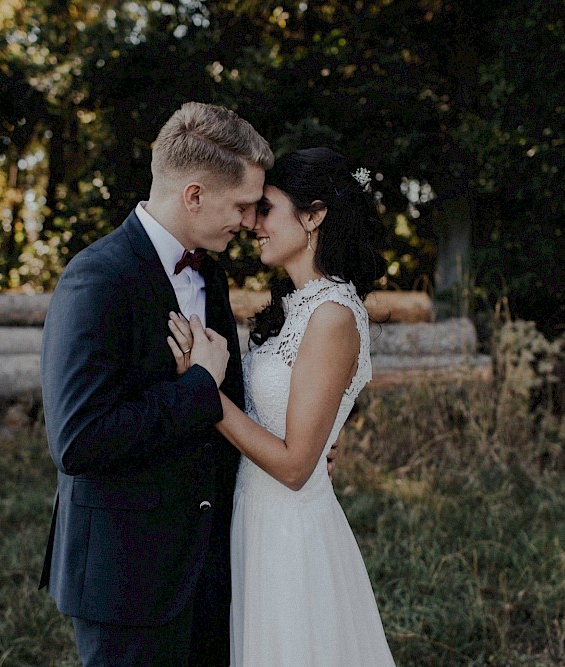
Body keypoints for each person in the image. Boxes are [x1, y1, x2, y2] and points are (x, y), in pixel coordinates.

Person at [38, 101, 274, 666]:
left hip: (208, 568)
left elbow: (226, 408)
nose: (248, 221)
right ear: (194, 194)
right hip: (126, 580)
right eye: (241, 205)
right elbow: (77, 441)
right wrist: (195, 388)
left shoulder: (208, 273)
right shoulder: (97, 277)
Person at [167, 147, 397, 665]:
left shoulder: (333, 315)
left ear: (314, 216)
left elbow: (295, 467)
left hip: (291, 536)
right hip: (254, 519)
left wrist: (205, 390)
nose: (253, 224)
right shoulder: (297, 307)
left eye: (266, 208)